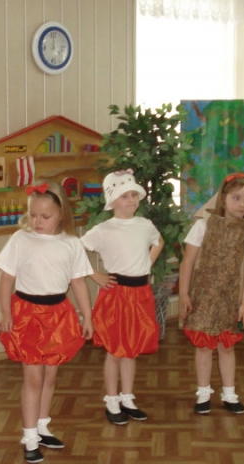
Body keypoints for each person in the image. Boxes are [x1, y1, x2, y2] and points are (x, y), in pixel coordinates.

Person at [0, 180, 94, 463]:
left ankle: (41, 426)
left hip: (58, 316)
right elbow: (6, 280)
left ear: (61, 214)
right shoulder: (20, 239)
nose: (37, 221)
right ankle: (29, 436)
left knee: (50, 376)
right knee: (34, 378)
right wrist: (5, 313)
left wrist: (87, 316)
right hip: (27, 315)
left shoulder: (71, 244)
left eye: (45, 216)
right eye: (33, 215)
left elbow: (78, 283)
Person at [81, 169, 163, 425]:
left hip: (140, 293)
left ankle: (127, 398)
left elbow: (159, 242)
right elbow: (75, 250)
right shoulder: (104, 229)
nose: (131, 200)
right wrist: (94, 275)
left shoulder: (145, 225)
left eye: (134, 195)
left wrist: (146, 265)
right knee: (115, 350)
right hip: (116, 294)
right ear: (112, 201)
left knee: (131, 349)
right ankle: (112, 399)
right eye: (124, 196)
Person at [178, 173, 244, 416]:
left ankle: (229, 393)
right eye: (236, 198)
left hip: (229, 298)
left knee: (226, 347)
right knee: (204, 346)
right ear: (223, 198)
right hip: (203, 296)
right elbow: (187, 262)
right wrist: (184, 294)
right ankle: (203, 393)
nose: (242, 204)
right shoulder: (203, 226)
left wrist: (243, 304)